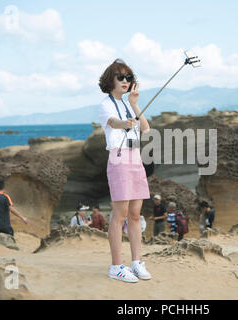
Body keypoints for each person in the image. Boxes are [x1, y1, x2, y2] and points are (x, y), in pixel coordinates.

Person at [98, 58, 151, 283]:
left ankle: (136, 262)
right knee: (119, 215)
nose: (126, 81)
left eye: (129, 77)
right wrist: (125, 123)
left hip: (135, 159)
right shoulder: (105, 104)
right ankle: (116, 266)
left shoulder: (130, 104)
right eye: (121, 77)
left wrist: (135, 104)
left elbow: (146, 129)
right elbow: (112, 123)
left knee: (135, 214)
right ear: (111, 80)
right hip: (119, 160)